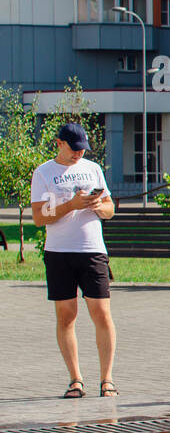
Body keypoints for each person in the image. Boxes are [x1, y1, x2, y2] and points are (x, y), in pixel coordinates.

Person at [29, 122, 118, 398]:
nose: (79, 154)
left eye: (83, 149)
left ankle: (107, 379)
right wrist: (70, 205)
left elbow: (110, 209)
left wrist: (98, 206)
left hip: (92, 249)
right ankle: (76, 380)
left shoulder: (93, 169)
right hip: (59, 252)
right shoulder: (44, 172)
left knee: (101, 313)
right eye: (74, 149)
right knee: (67, 316)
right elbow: (38, 217)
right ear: (59, 143)